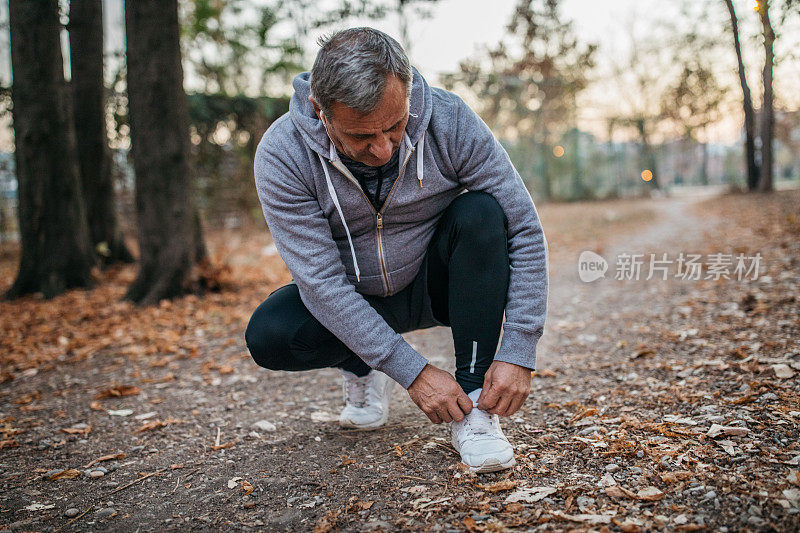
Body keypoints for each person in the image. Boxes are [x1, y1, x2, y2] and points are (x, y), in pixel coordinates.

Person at [245, 27, 548, 473]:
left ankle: (477, 408)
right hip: (355, 293)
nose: (384, 149)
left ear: (406, 91)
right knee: (271, 335)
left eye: (395, 126)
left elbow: (523, 227)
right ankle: (362, 363)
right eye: (362, 137)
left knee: (483, 213)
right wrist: (412, 372)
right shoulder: (282, 154)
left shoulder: (451, 120)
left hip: (436, 284)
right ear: (320, 110)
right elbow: (321, 284)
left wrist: (519, 348)